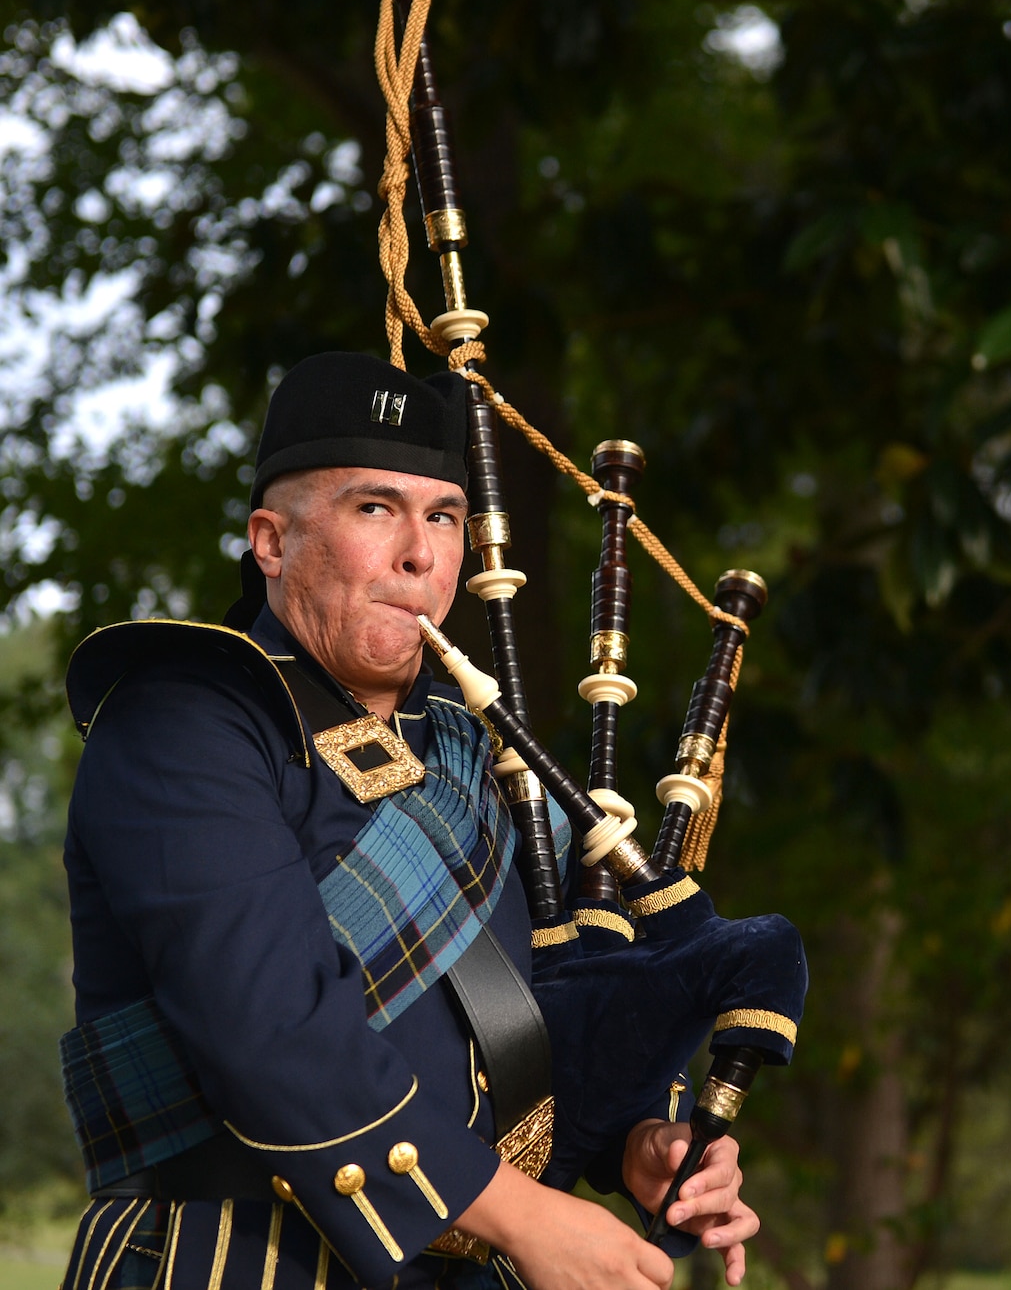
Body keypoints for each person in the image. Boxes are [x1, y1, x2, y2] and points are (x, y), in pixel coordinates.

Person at [56, 353, 759, 1290]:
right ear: (271, 541)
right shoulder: (185, 717)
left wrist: (638, 1141)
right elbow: (271, 1031)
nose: (420, 555)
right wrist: (527, 1216)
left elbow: (552, 1015)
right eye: (375, 508)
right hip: (230, 1258)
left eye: (445, 517)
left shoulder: (483, 749)